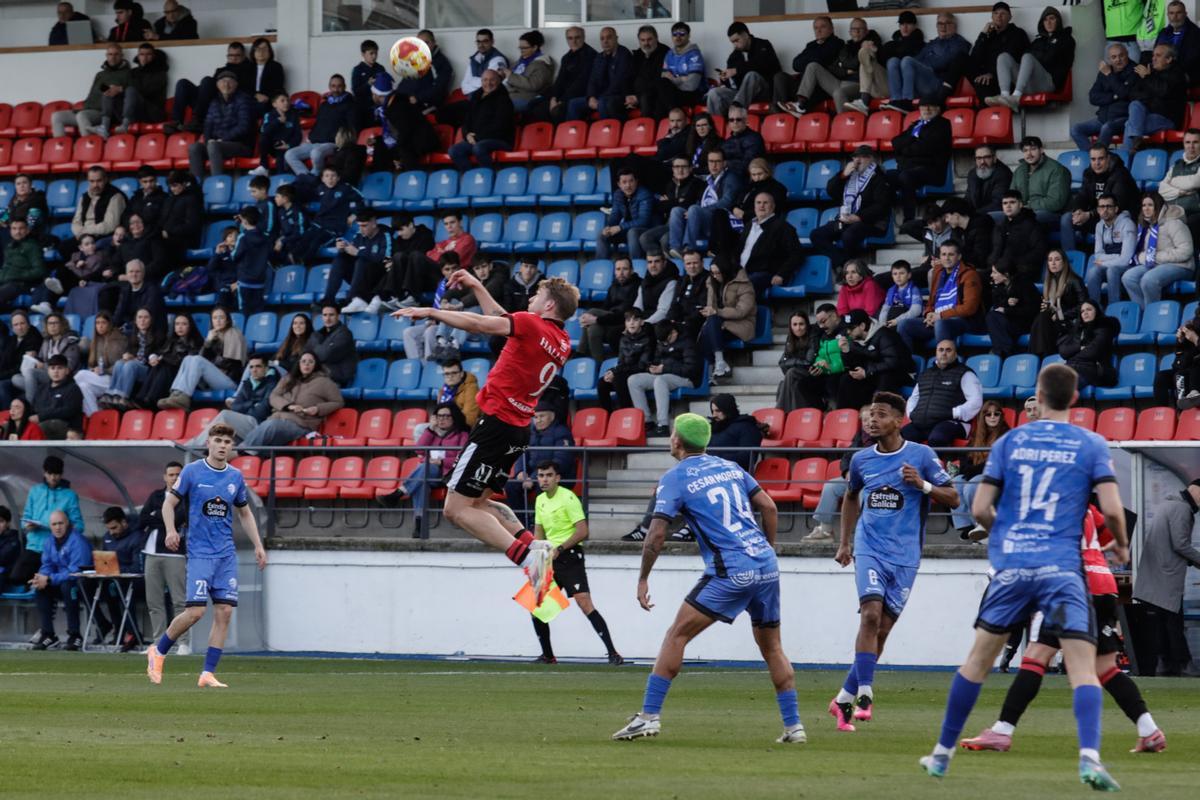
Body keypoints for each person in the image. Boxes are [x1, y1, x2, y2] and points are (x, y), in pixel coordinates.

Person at [919, 364, 1128, 791]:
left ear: (1038, 394)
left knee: (977, 662)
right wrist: (1121, 544)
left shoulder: (1010, 442)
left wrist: (1006, 534)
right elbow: (1110, 509)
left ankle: (942, 753)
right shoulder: (1091, 444)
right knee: (1083, 669)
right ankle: (1090, 759)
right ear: (1074, 398)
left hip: (1014, 564)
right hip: (1062, 569)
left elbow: (978, 509)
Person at [611, 413, 804, 744]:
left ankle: (649, 717)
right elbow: (769, 508)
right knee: (772, 646)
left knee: (676, 635)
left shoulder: (675, 478)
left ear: (676, 441)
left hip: (731, 569)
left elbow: (656, 534)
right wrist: (766, 551)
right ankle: (794, 727)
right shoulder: (730, 467)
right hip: (766, 566)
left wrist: (643, 578)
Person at [392, 272, 579, 606]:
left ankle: (527, 559)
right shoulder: (561, 340)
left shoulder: (532, 325)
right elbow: (500, 320)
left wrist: (432, 313)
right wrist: (478, 285)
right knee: (477, 504)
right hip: (517, 429)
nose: (531, 299)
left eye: (536, 294)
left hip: (495, 426)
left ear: (549, 304)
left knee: (455, 509)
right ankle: (534, 545)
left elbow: (481, 324)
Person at [962, 502, 1166, 753]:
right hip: (1104, 585)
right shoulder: (1086, 505)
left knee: (1036, 657)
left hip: (1071, 587)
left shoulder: (1048, 504)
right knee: (1105, 668)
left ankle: (1002, 731)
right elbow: (1107, 533)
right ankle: (1149, 731)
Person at [829, 392, 956, 730]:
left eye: (880, 414)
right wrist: (845, 542)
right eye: (870, 414)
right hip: (869, 548)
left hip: (905, 557)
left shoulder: (922, 455)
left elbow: (954, 497)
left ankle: (843, 697)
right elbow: (851, 497)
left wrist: (924, 484)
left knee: (882, 630)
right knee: (870, 615)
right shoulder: (860, 460)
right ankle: (866, 695)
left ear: (899, 421)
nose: (872, 420)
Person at [147, 423, 267, 688]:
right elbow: (169, 502)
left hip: (225, 553)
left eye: (227, 441)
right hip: (200, 553)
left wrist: (258, 545)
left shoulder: (235, 476)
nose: (223, 445)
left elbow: (244, 512)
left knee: (224, 611)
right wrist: (170, 530)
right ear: (209, 443)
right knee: (196, 612)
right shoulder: (192, 472)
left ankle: (207, 673)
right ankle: (159, 650)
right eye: (219, 440)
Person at [529, 460, 622, 666]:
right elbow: (539, 532)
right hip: (549, 560)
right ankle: (548, 656)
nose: (544, 479)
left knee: (584, 603)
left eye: (549, 475)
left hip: (569, 556)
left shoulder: (568, 498)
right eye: (541, 475)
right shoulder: (539, 500)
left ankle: (613, 653)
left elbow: (582, 531)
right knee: (537, 607)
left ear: (557, 478)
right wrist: (538, 556)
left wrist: (559, 549)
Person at [1134, 478, 1200, 676]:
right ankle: (1185, 665)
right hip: (1167, 578)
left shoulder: (1168, 504)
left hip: (1156, 576)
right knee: (1173, 624)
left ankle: (1165, 665)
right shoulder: (1182, 509)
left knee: (1163, 625)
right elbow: (1180, 544)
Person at [238, 352, 343, 453]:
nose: (306, 364)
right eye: (303, 361)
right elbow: (273, 396)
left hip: (301, 425)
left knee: (271, 426)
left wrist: (318, 409)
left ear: (316, 365)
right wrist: (288, 406)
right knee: (225, 419)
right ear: (299, 364)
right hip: (277, 418)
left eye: (310, 362)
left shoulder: (325, 382)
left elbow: (338, 402)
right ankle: (237, 452)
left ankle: (239, 452)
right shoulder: (288, 378)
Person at [10, 455, 85, 589]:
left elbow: (79, 526)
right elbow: (25, 517)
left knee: (50, 584)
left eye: (57, 474)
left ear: (61, 474)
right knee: (16, 577)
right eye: (50, 473)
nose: (53, 477)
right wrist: (27, 525)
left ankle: (47, 598)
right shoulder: (35, 491)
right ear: (44, 472)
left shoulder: (70, 495)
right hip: (34, 546)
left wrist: (60, 528)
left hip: (56, 550)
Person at [779, 17, 878, 118]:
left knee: (838, 92)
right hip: (838, 82)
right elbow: (797, 64)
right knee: (812, 66)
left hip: (858, 85)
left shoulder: (843, 43)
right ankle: (799, 105)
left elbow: (852, 64)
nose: (856, 32)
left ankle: (844, 124)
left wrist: (844, 67)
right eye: (853, 29)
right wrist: (846, 71)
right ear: (850, 32)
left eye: (860, 29)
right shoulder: (846, 46)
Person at [898, 241, 983, 355]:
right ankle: (910, 368)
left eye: (951, 255)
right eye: (943, 254)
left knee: (941, 323)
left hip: (964, 321)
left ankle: (944, 365)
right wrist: (929, 314)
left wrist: (941, 316)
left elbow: (969, 308)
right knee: (904, 325)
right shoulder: (938, 272)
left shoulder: (969, 275)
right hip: (939, 318)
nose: (947, 258)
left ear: (959, 257)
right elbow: (931, 302)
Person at [138, 461, 189, 651]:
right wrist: (165, 517)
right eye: (171, 474)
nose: (174, 478)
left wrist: (157, 516)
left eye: (178, 475)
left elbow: (179, 518)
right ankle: (158, 642)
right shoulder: (156, 495)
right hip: (151, 552)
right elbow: (142, 519)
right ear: (165, 477)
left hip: (175, 553)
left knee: (179, 600)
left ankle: (183, 643)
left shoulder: (186, 498)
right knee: (154, 601)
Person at [158, 306, 246, 411]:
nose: (218, 321)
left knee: (196, 360)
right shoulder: (214, 335)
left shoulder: (234, 333)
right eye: (215, 318)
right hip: (214, 378)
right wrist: (208, 342)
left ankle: (184, 397)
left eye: (221, 317)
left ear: (227, 320)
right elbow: (202, 358)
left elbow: (232, 364)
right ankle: (176, 395)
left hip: (230, 381)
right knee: (189, 358)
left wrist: (210, 360)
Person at [402, 403, 470, 539]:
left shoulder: (462, 435)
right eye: (439, 416)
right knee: (423, 482)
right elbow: (419, 450)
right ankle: (419, 523)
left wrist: (443, 462)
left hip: (451, 475)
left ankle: (402, 490)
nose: (441, 419)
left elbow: (464, 459)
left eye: (446, 416)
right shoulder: (432, 434)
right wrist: (430, 431)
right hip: (431, 475)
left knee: (425, 472)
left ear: (454, 417)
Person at [29, 510, 93, 652]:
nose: (57, 527)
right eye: (54, 524)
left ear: (67, 523)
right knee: (40, 589)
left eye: (60, 523)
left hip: (83, 584)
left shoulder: (78, 541)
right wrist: (41, 578)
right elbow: (47, 565)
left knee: (68, 587)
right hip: (60, 581)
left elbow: (76, 571)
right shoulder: (49, 541)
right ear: (50, 526)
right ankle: (48, 634)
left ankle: (75, 635)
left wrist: (51, 578)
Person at [505, 400, 576, 527]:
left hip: (557, 477)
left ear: (552, 416)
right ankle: (521, 525)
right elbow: (521, 453)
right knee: (511, 485)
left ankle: (539, 524)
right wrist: (521, 471)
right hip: (534, 475)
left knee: (542, 486)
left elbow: (561, 462)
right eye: (535, 417)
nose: (538, 420)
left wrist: (534, 478)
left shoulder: (562, 433)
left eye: (542, 416)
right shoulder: (529, 432)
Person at [811, 145, 890, 259]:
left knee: (848, 235)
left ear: (871, 159)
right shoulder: (849, 175)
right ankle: (843, 264)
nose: (857, 160)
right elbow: (831, 191)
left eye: (862, 157)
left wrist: (859, 217)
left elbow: (881, 206)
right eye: (855, 157)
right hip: (846, 221)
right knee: (816, 235)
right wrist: (842, 175)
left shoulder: (879, 176)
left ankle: (852, 266)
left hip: (871, 223)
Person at [987, 7, 1074, 110]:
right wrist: (1039, 56)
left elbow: (1050, 59)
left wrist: (1037, 56)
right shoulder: (1038, 41)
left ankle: (1016, 96)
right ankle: (1005, 96)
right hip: (1030, 83)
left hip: (1048, 84)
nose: (1048, 22)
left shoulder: (1066, 39)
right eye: (1045, 20)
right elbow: (1026, 57)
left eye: (1052, 18)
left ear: (1058, 21)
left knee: (1028, 57)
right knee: (1003, 57)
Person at [627, 319, 700, 437]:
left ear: (674, 332)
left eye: (667, 341)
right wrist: (651, 368)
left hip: (686, 379)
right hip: (663, 375)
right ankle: (647, 422)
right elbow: (657, 360)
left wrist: (664, 369)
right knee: (634, 380)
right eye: (662, 342)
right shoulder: (661, 341)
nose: (664, 344)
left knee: (660, 380)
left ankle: (663, 425)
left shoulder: (688, 342)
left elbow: (690, 370)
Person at [902, 339, 982, 447]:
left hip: (951, 422)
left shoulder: (965, 373)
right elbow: (914, 397)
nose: (944, 353)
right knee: (901, 438)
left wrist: (955, 413)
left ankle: (941, 464)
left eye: (948, 350)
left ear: (955, 353)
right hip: (922, 423)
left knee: (938, 438)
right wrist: (912, 414)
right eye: (941, 350)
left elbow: (976, 401)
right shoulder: (926, 374)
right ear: (936, 353)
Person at [184, 355, 278, 447]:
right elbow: (235, 406)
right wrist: (253, 404)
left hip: (259, 426)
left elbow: (262, 411)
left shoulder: (272, 384)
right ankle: (198, 447)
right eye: (251, 367)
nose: (254, 370)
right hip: (243, 423)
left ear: (266, 368)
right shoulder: (247, 384)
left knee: (225, 415)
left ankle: (194, 446)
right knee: (222, 432)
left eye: (258, 366)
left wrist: (245, 407)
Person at [947, 401, 1010, 537]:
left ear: (1001, 416)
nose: (992, 417)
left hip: (996, 477)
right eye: (988, 414)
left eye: (996, 414)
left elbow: (994, 463)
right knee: (956, 482)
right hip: (977, 473)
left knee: (972, 486)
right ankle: (966, 526)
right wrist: (969, 470)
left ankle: (981, 525)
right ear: (983, 417)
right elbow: (965, 458)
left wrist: (971, 471)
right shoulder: (977, 436)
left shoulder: (1006, 435)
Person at [1123, 190, 1196, 308]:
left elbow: (1186, 251)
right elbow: (1142, 252)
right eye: (1144, 205)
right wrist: (1145, 257)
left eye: (1150, 205)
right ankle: (1143, 312)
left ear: (1158, 206)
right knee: (1128, 277)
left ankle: (1152, 314)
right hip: (1156, 265)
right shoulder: (1146, 225)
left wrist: (1156, 257)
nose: (1146, 209)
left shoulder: (1174, 223)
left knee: (1148, 280)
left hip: (1181, 266)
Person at [885, 12, 970, 112]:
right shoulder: (932, 43)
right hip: (921, 83)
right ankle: (896, 100)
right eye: (940, 24)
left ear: (954, 26)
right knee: (893, 61)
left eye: (947, 23)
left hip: (937, 84)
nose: (943, 27)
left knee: (907, 60)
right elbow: (917, 59)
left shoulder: (959, 43)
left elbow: (945, 62)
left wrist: (923, 65)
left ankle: (907, 101)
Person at [1061, 146, 1140, 252]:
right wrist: (1078, 210)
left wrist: (1089, 215)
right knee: (1067, 218)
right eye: (1093, 159)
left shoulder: (1120, 174)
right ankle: (1071, 258)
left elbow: (1116, 205)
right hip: (1096, 216)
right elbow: (1082, 195)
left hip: (1116, 218)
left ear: (1108, 158)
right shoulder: (1088, 173)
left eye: (1101, 159)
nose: (1097, 163)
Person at [391, 211, 476, 309]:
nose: (449, 226)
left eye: (452, 222)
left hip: (453, 278)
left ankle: (413, 297)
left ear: (460, 222)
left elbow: (451, 259)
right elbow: (429, 255)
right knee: (410, 257)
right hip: (439, 276)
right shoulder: (444, 243)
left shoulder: (467, 239)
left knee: (416, 256)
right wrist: (444, 251)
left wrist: (441, 252)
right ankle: (402, 295)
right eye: (446, 224)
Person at [167, 41, 253, 135]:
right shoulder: (220, 70)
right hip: (206, 100)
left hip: (221, 103)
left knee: (207, 80)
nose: (233, 58)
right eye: (230, 55)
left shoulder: (249, 70)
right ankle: (176, 122)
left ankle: (198, 120)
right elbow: (209, 87)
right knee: (182, 83)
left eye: (237, 55)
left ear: (244, 56)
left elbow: (243, 91)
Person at [889, 96, 952, 223]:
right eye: (923, 106)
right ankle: (886, 220)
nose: (927, 109)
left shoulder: (943, 124)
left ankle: (909, 219)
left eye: (931, 106)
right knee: (885, 176)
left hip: (933, 171)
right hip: (911, 168)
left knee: (906, 176)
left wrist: (905, 150)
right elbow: (895, 142)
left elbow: (926, 148)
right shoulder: (916, 125)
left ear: (938, 109)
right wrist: (912, 139)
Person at [50, 43, 131, 139]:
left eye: (116, 54)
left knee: (82, 116)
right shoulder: (100, 74)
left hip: (105, 113)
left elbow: (130, 93)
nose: (113, 57)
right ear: (106, 56)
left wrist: (115, 89)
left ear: (121, 56)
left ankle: (89, 147)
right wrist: (105, 88)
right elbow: (96, 91)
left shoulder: (128, 73)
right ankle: (61, 148)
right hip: (89, 110)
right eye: (110, 54)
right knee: (57, 116)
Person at [836, 309, 911, 410]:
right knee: (847, 379)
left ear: (862, 326)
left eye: (851, 328)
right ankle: (848, 417)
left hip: (899, 373)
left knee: (885, 377)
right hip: (874, 374)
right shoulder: (855, 340)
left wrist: (867, 372)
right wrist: (846, 352)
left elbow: (893, 362)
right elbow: (854, 366)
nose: (848, 332)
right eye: (846, 329)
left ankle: (878, 415)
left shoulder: (885, 335)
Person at [188, 70, 256, 178]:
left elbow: (244, 127)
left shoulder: (243, 99)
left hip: (241, 145)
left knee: (214, 146)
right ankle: (195, 184)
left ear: (236, 84)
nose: (226, 84)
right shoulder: (214, 102)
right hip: (217, 144)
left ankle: (217, 183)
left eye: (230, 81)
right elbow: (208, 125)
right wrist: (208, 140)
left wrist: (222, 139)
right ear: (217, 85)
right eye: (223, 81)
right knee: (194, 148)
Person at [1071, 43, 1139, 151]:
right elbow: (1093, 97)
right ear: (1109, 59)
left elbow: (1124, 93)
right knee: (1075, 129)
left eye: (1121, 55)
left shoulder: (1135, 71)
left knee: (1107, 127)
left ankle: (1100, 157)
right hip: (1102, 118)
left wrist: (1109, 75)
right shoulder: (1104, 72)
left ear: (1127, 54)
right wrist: (1114, 96)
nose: (1118, 60)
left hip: (1123, 118)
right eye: (1114, 57)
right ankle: (1094, 158)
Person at [283, 74, 354, 177]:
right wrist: (311, 137)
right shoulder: (324, 105)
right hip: (315, 142)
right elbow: (318, 123)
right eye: (333, 86)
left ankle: (316, 176)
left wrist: (342, 142)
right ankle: (307, 178)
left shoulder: (350, 105)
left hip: (333, 143)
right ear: (329, 87)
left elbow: (352, 128)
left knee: (316, 153)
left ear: (344, 86)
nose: (336, 89)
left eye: (339, 86)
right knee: (289, 154)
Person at [706, 22, 780, 119]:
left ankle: (737, 111)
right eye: (732, 42)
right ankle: (717, 128)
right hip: (742, 95)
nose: (735, 45)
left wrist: (737, 70)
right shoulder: (734, 56)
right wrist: (724, 78)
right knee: (714, 93)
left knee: (752, 75)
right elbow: (732, 85)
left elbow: (764, 65)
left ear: (746, 35)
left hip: (764, 92)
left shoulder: (763, 45)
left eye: (737, 40)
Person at [699, 255, 755, 384]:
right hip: (719, 324)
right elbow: (710, 306)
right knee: (706, 329)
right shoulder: (712, 282)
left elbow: (742, 311)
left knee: (709, 328)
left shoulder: (744, 285)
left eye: (718, 273)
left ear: (726, 271)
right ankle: (719, 366)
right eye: (712, 273)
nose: (715, 276)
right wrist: (709, 311)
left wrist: (717, 312)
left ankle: (716, 367)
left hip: (741, 324)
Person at [325, 209, 392, 314]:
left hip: (378, 279)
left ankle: (351, 300)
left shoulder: (385, 235)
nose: (361, 229)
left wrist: (359, 253)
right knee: (340, 258)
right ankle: (328, 300)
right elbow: (352, 252)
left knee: (361, 260)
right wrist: (343, 249)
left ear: (374, 223)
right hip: (361, 278)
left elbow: (386, 258)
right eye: (359, 225)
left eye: (364, 226)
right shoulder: (359, 235)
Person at [1124, 43, 1187, 154]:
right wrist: (1148, 80)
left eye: (1158, 56)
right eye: (1153, 55)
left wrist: (1147, 78)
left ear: (1168, 59)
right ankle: (1135, 141)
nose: (1153, 59)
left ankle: (1127, 158)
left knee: (1129, 125)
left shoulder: (1177, 74)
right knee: (1135, 105)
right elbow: (1133, 94)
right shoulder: (1151, 73)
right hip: (1148, 114)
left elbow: (1163, 91)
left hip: (1167, 118)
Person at [131, 312, 202, 409]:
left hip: (182, 378)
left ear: (190, 326)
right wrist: (154, 357)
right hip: (168, 371)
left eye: (184, 324)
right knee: (158, 365)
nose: (180, 327)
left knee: (165, 365)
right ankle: (142, 397)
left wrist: (164, 359)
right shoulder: (171, 340)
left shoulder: (196, 341)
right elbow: (160, 352)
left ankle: (151, 398)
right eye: (177, 324)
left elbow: (186, 362)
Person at [772, 15, 841, 113]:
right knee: (780, 76)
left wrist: (810, 57)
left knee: (812, 65)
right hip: (802, 85)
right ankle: (779, 113)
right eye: (816, 28)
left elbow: (821, 60)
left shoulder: (837, 43)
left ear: (831, 29)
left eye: (823, 27)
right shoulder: (811, 45)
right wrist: (814, 55)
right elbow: (796, 64)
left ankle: (800, 106)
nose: (819, 30)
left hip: (819, 88)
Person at [736, 191, 801, 295]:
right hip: (741, 272)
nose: (761, 206)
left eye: (765, 203)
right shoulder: (749, 225)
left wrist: (781, 274)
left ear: (773, 206)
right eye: (758, 202)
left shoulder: (783, 227)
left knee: (742, 287)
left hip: (764, 273)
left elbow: (796, 254)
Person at [449, 70, 515, 171]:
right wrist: (467, 134)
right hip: (477, 139)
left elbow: (500, 126)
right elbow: (467, 120)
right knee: (454, 150)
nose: (488, 83)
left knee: (479, 148)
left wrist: (477, 137)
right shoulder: (476, 97)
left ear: (498, 81)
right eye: (485, 80)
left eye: (492, 80)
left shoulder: (504, 100)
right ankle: (472, 177)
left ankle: (490, 177)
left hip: (500, 140)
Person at [578, 256, 642, 360]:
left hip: (625, 320)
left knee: (592, 312)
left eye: (625, 269)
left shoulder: (637, 285)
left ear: (632, 270)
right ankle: (598, 361)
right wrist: (595, 320)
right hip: (611, 319)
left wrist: (597, 319)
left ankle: (581, 353)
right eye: (618, 269)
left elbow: (625, 312)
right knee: (593, 327)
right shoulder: (614, 286)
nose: (621, 273)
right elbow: (605, 307)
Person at [967, 2, 1030, 105]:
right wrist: (983, 34)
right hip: (987, 80)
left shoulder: (1017, 33)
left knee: (982, 83)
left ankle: (991, 107)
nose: (999, 16)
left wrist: (991, 73)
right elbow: (974, 59)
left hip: (1007, 81)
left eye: (1003, 14)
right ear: (992, 16)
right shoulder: (988, 35)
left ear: (1010, 17)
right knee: (962, 58)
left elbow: (1011, 58)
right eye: (996, 13)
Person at [1029, 248, 1087, 357]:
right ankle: (1038, 356)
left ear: (1064, 262)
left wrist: (1061, 315)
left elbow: (1084, 306)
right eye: (1050, 260)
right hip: (1056, 321)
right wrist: (1048, 307)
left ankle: (1043, 355)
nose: (1053, 263)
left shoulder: (1075, 280)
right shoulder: (1050, 282)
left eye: (1057, 259)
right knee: (1040, 317)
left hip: (1071, 322)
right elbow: (1055, 308)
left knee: (1043, 318)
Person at [568, 27, 632, 121]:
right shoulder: (600, 57)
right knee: (573, 103)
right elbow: (592, 80)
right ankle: (575, 134)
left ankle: (606, 133)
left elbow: (618, 82)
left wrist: (600, 98)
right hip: (600, 97)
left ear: (616, 38)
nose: (605, 41)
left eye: (609, 37)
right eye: (602, 38)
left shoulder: (624, 54)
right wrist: (591, 97)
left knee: (602, 103)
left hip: (619, 96)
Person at [1085, 193, 1137, 305]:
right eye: (1101, 207)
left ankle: (1114, 307)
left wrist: (1105, 262)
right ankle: (1095, 308)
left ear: (1116, 209)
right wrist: (1115, 257)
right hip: (1113, 262)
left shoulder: (1127, 224)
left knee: (1112, 270)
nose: (1105, 210)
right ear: (1098, 210)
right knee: (1093, 271)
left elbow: (1126, 259)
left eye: (1108, 206)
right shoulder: (1099, 226)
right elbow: (1098, 255)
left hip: (1129, 265)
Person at [74, 311, 127, 416]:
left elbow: (120, 365)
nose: (100, 326)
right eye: (97, 323)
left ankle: (66, 397)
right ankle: (95, 416)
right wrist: (93, 370)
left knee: (81, 375)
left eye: (103, 323)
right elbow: (91, 364)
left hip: (114, 380)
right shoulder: (96, 340)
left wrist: (104, 370)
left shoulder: (119, 340)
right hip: (100, 379)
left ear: (109, 324)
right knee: (83, 386)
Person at [988, 191, 1048, 281]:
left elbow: (1039, 251)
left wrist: (1011, 266)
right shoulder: (999, 227)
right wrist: (993, 267)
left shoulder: (1032, 225)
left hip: (1020, 272)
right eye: (1005, 203)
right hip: (998, 269)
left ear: (1020, 204)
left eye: (1012, 202)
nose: (1008, 206)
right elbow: (995, 251)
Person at [1010, 137, 1071, 226]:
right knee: (990, 218)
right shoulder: (1019, 170)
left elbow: (1055, 203)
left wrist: (1028, 206)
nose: (1029, 154)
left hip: (1051, 214)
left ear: (1041, 150)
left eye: (1033, 149)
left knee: (1026, 218)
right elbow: (1011, 196)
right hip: (1022, 212)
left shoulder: (1057, 170)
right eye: (1025, 150)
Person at [541, 27, 596, 124]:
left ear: (583, 37)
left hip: (580, 95)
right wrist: (554, 98)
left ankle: (563, 136)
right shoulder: (566, 57)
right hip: (564, 96)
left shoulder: (591, 55)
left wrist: (561, 100)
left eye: (577, 38)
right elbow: (560, 80)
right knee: (535, 106)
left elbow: (582, 82)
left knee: (557, 111)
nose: (574, 41)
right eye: (570, 38)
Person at [649, 23, 705, 119]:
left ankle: (675, 116)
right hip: (673, 93)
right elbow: (664, 77)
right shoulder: (669, 54)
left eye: (682, 34)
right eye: (675, 34)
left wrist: (673, 80)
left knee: (662, 94)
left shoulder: (694, 55)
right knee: (658, 92)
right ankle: (669, 122)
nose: (678, 37)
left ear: (689, 35)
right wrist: (682, 78)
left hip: (693, 94)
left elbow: (692, 85)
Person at [598, 169, 657, 260]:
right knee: (601, 234)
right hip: (627, 229)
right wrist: (608, 227)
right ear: (619, 184)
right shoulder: (618, 194)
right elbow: (615, 216)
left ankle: (636, 267)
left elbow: (644, 221)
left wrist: (620, 227)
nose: (628, 185)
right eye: (624, 182)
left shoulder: (644, 194)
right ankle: (602, 266)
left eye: (631, 181)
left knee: (632, 232)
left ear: (636, 182)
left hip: (647, 230)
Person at [984, 263, 1039, 358]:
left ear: (1006, 275)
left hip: (1025, 323)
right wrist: (1007, 304)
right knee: (992, 317)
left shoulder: (1024, 284)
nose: (991, 275)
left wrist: (1007, 310)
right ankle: (1005, 351)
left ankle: (1003, 352)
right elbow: (998, 307)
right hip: (1007, 323)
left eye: (994, 272)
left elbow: (1032, 310)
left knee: (992, 318)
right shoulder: (997, 287)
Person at [394, 29, 453, 116]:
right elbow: (406, 81)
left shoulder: (442, 63)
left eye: (427, 42)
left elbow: (439, 88)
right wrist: (397, 95)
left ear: (434, 43)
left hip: (427, 104)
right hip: (410, 101)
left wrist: (417, 98)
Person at [69, 166, 126, 253]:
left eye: (99, 181)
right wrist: (80, 234)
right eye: (92, 181)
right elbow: (76, 221)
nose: (95, 185)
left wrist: (85, 231)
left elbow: (110, 226)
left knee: (93, 248)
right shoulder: (84, 196)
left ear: (105, 179)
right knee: (64, 247)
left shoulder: (115, 196)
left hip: (103, 235)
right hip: (83, 235)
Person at [500, 31, 555, 114]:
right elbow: (510, 74)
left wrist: (511, 76)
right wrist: (502, 74)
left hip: (527, 98)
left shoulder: (541, 64)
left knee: (497, 106)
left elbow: (534, 85)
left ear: (534, 47)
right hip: (512, 94)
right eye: (520, 47)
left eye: (524, 48)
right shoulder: (522, 61)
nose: (521, 50)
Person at [32, 355, 83, 440]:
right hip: (44, 423)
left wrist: (41, 416)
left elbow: (68, 411)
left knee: (44, 426)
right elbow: (33, 407)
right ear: (48, 371)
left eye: (60, 368)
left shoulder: (73, 388)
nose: (56, 371)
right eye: (52, 368)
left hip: (68, 428)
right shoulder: (41, 389)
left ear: (67, 370)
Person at [0, 219, 47, 310]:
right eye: (14, 228)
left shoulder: (33, 247)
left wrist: (18, 275)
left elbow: (40, 271)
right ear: (10, 231)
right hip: (6, 283)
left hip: (21, 284)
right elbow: (6, 269)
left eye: (21, 228)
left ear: (27, 230)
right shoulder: (9, 247)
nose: (17, 232)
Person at [308, 306, 357, 388]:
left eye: (331, 315)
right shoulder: (316, 335)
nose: (327, 319)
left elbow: (326, 355)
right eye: (325, 315)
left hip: (337, 377)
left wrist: (315, 347)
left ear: (338, 316)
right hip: (318, 375)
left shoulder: (345, 334)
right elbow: (305, 353)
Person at [0, 311, 41, 409]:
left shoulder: (34, 339)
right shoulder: (12, 339)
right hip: (8, 374)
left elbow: (22, 367)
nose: (19, 327)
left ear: (28, 324)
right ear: (12, 327)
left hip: (22, 377)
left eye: (22, 323)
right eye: (16, 324)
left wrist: (1, 375)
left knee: (2, 385)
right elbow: (3, 361)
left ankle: (6, 418)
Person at [775, 313, 812, 413]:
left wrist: (792, 362)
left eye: (801, 324)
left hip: (810, 374)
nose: (798, 328)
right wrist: (793, 363)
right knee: (786, 384)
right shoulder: (790, 339)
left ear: (807, 325)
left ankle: (780, 412)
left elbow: (808, 363)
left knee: (791, 372)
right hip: (795, 375)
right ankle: (793, 417)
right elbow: (782, 363)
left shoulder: (812, 338)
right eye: (794, 324)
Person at [1154, 0, 1200, 81]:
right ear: (1167, 15)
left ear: (1185, 14)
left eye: (1179, 13)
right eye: (1171, 13)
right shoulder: (1163, 32)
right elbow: (1156, 53)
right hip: (1162, 74)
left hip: (1183, 76)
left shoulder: (1195, 33)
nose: (1175, 17)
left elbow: (1191, 60)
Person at [966, 146, 1012, 217]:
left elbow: (998, 204)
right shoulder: (972, 174)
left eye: (986, 157)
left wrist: (973, 215)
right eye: (979, 158)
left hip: (996, 216)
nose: (982, 162)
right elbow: (968, 198)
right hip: (978, 215)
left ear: (994, 158)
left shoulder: (1003, 173)